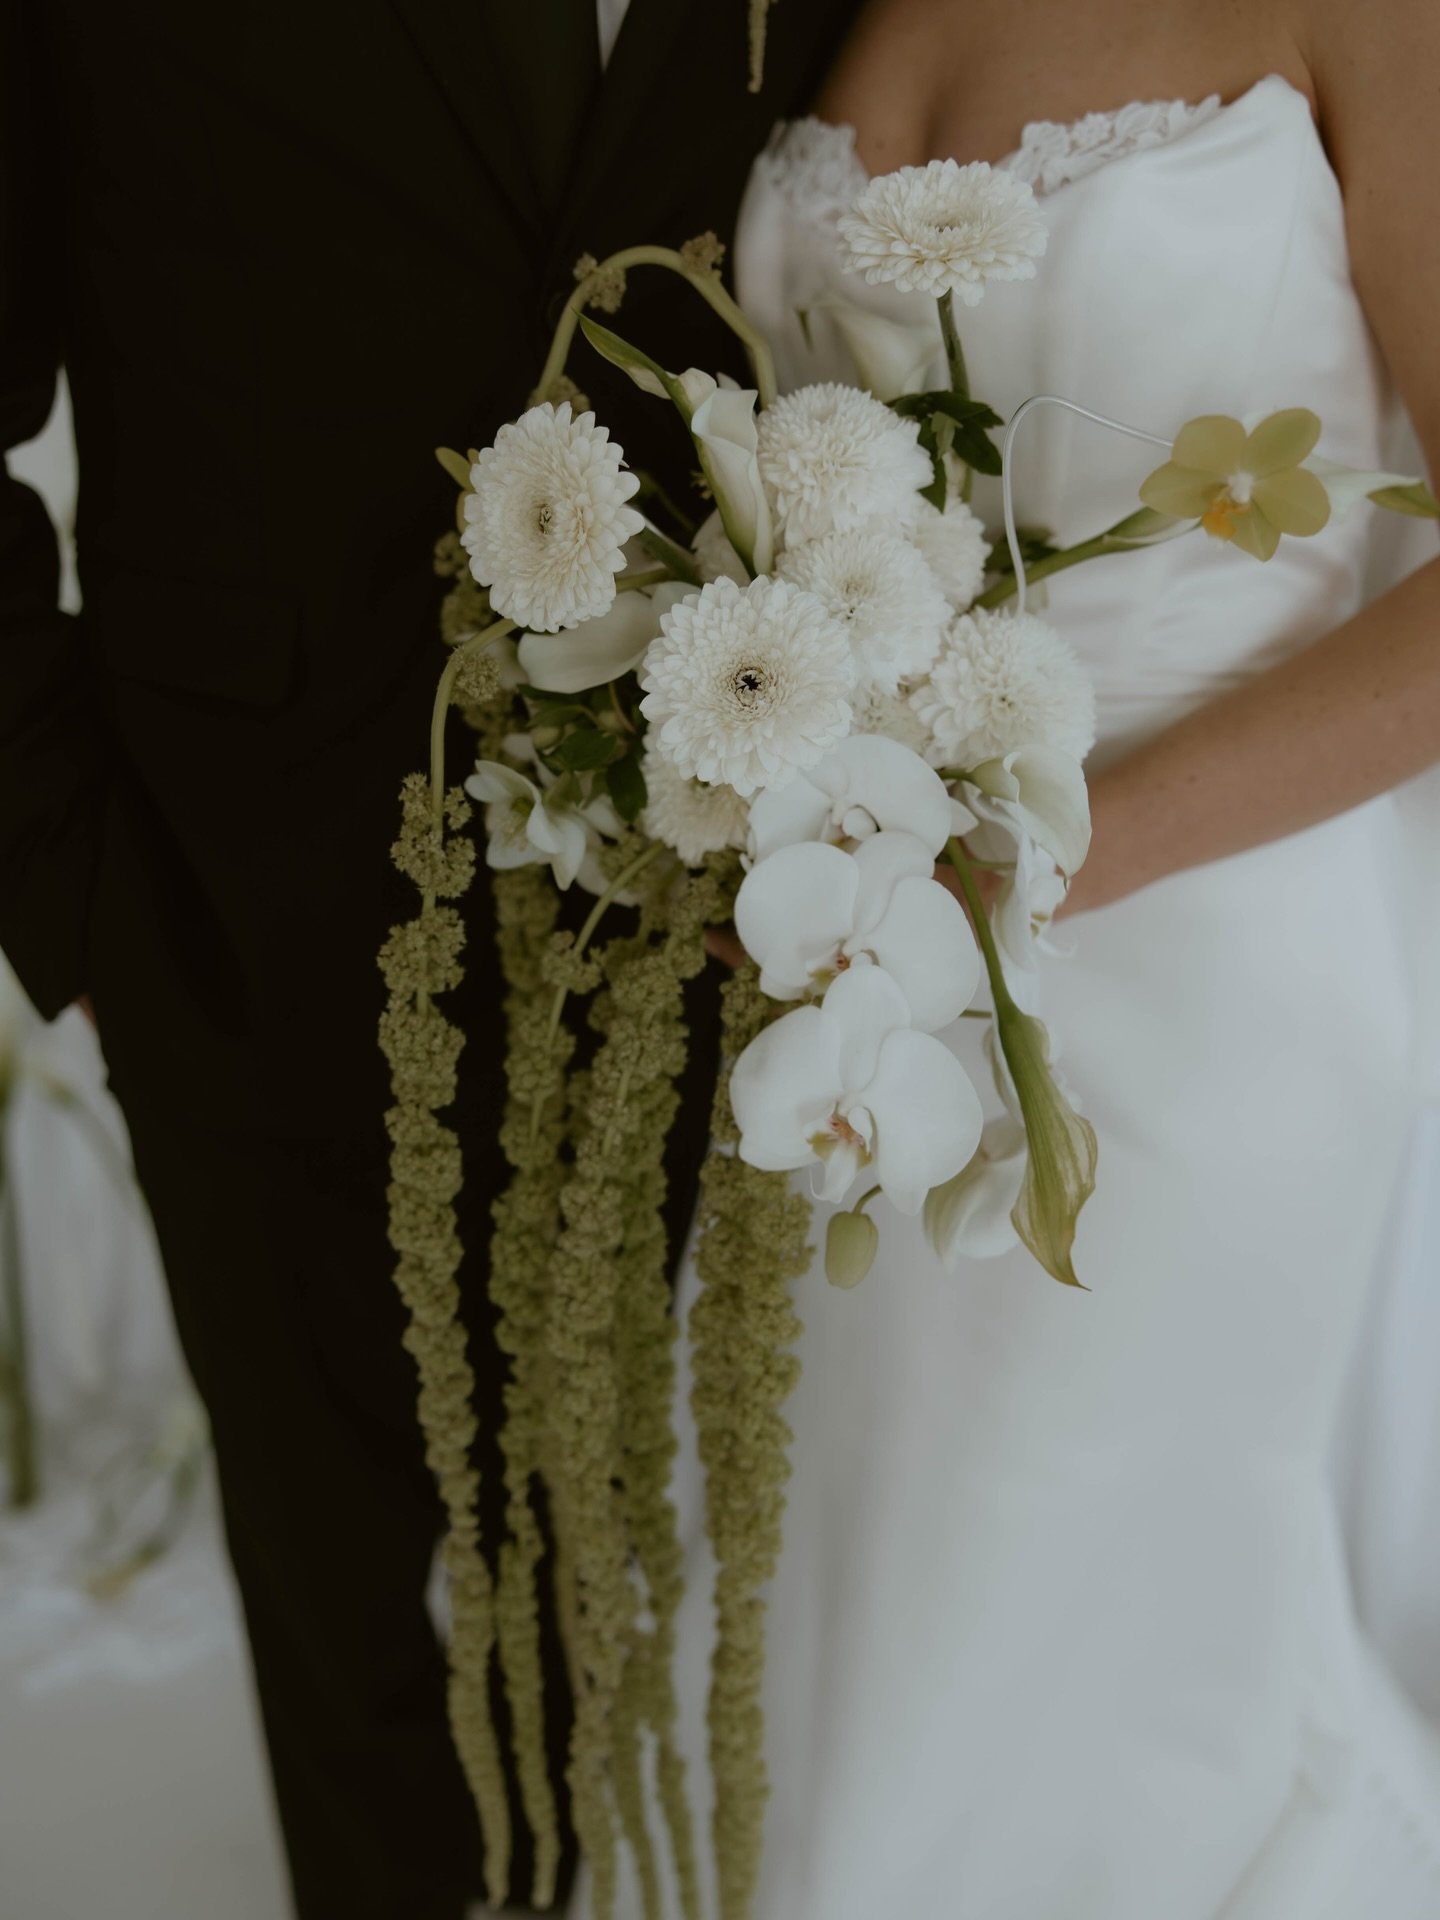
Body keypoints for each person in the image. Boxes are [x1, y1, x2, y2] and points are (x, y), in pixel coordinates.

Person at [579, 0, 1440, 1914]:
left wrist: (1050, 860)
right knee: (848, 1613)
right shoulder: (787, 13)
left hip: (1205, 978)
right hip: (857, 974)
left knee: (1080, 1650)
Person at [0, 3, 861, 1916]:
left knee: (751, 1615)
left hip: (767, 891)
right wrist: (68, 882)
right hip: (250, 889)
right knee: (372, 1656)